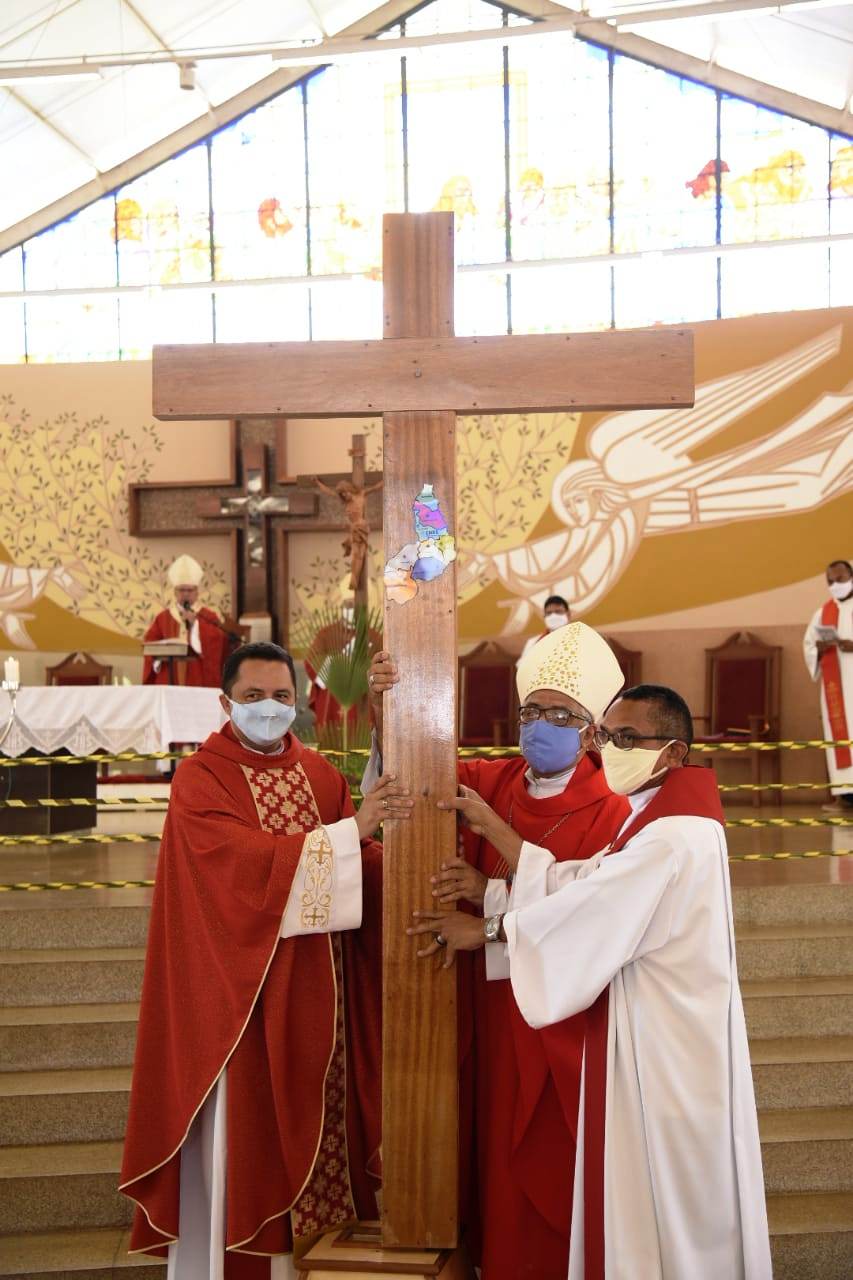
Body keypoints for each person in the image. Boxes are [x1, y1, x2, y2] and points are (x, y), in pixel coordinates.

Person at [411, 684, 771, 1280]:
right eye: (609, 736)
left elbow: (594, 911)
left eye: (629, 739)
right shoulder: (668, 820)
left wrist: (490, 928)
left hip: (661, 1051)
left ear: (675, 753)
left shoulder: (671, 836)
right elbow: (590, 879)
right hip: (669, 1038)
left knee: (665, 1203)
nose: (612, 749)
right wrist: (495, 888)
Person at [120, 641, 413, 1277]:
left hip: (320, 1000)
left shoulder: (320, 774)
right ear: (225, 703)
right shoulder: (202, 778)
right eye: (253, 698)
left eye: (282, 697)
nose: (268, 709)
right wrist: (353, 832)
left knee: (317, 1131)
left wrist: (410, 881)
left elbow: (360, 864)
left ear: (299, 703)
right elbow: (238, 873)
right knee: (247, 1143)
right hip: (239, 1003)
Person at [366, 622, 627, 1280]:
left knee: (532, 1162)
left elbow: (591, 919)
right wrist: (383, 710)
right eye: (531, 711)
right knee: (477, 1149)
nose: (540, 725)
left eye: (559, 716)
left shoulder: (612, 813)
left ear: (591, 731)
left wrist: (487, 900)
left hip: (555, 1025)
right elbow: (416, 776)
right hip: (480, 1011)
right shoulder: (495, 778)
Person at [804, 559, 853, 812]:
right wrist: (820, 649)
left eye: (840, 580)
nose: (835, 586)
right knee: (839, 735)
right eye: (830, 582)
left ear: (852, 577)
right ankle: (844, 797)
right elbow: (808, 644)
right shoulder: (823, 612)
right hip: (837, 690)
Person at [143, 554, 231, 687]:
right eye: (181, 590)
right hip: (169, 675)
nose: (185, 594)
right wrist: (158, 659)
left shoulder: (208, 616)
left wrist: (195, 624)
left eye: (189, 590)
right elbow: (150, 643)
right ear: (175, 592)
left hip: (199, 677)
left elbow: (219, 642)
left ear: (197, 592)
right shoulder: (163, 617)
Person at [517, 594, 572, 663]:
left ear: (568, 614)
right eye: (549, 613)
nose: (553, 616)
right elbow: (522, 666)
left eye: (558, 611)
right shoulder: (533, 642)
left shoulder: (580, 638)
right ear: (544, 617)